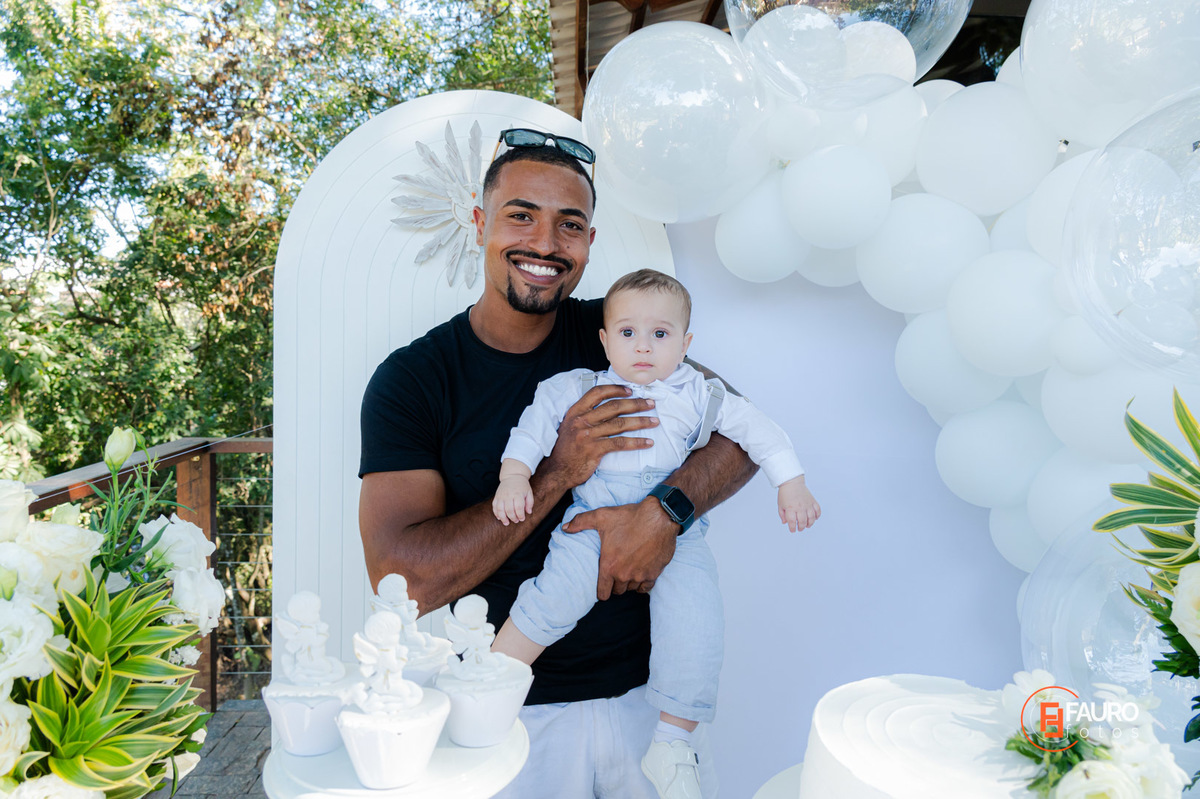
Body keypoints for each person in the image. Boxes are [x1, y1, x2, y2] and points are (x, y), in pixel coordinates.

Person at [358, 128, 758, 798]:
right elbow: (405, 580)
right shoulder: (415, 380)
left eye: (569, 224)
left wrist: (663, 513)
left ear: (589, 241)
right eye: (521, 216)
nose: (545, 244)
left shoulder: (619, 332)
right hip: (508, 713)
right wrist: (557, 472)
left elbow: (740, 433)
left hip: (648, 703)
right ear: (480, 223)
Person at [490, 269, 820, 799]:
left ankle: (671, 741)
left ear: (686, 344)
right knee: (552, 597)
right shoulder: (579, 387)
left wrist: (791, 482)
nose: (643, 346)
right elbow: (532, 426)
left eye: (660, 334)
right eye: (627, 333)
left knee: (696, 619)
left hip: (678, 529)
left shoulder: (701, 393)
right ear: (605, 340)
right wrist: (514, 476)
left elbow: (760, 430)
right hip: (592, 516)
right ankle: (492, 683)